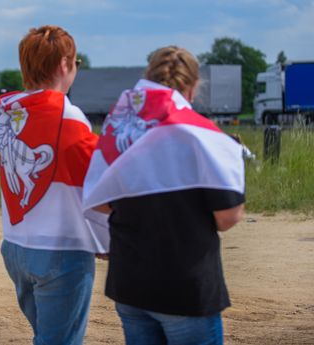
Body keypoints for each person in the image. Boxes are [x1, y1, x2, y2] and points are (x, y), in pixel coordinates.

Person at [82, 46, 246, 344]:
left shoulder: (120, 131)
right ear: (193, 86)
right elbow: (227, 218)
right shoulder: (203, 136)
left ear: (148, 79)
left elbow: (100, 202)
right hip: (184, 287)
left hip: (130, 283)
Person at [0, 25, 108, 345]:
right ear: (64, 65)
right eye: (76, 63)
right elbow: (100, 184)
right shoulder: (69, 117)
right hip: (61, 250)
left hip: (17, 246)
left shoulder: (7, 115)